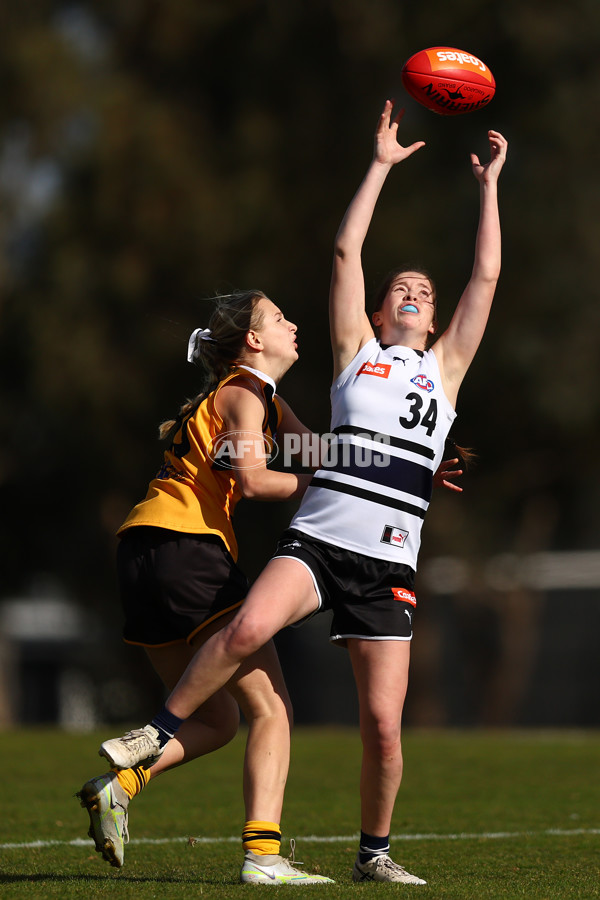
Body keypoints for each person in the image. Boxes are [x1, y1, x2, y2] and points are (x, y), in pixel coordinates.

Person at [98, 102, 508, 884]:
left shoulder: (445, 370)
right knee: (248, 626)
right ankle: (153, 735)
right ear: (379, 312)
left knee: (384, 729)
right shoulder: (357, 351)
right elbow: (347, 245)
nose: (416, 291)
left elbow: (486, 274)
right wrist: (382, 165)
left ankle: (373, 856)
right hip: (321, 537)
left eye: (425, 287)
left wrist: (489, 187)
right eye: (402, 287)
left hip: (390, 560)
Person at [77, 289, 334, 885]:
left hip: (141, 551)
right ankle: (263, 859)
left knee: (217, 719)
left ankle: (118, 786)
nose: (293, 325)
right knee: (274, 709)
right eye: (279, 318)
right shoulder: (247, 394)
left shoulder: (257, 398)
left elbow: (321, 451)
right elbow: (252, 479)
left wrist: (396, 457)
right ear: (253, 340)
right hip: (188, 548)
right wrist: (311, 488)